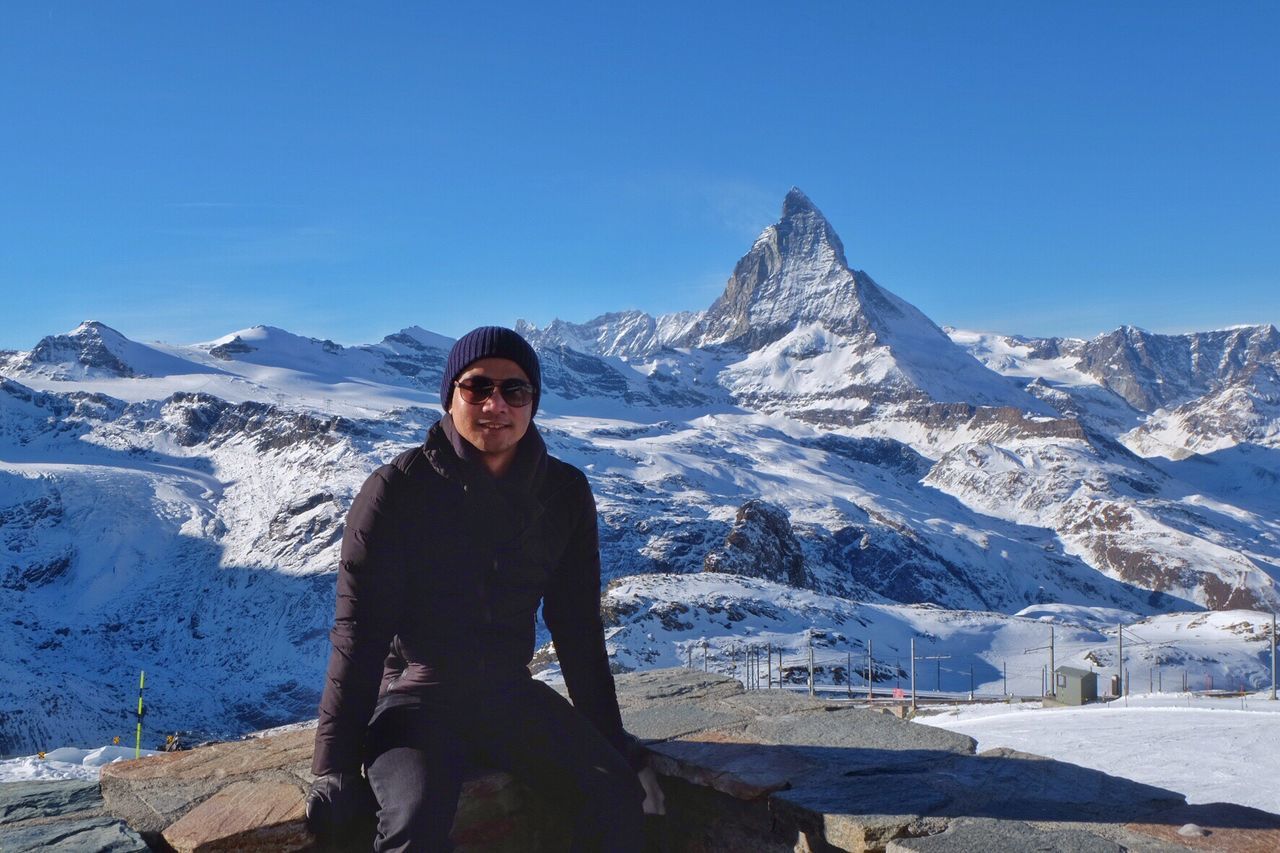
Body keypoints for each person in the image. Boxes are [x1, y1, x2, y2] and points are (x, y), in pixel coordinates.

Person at [306, 326, 663, 852]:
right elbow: (359, 633)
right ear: (449, 396)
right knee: (414, 820)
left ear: (532, 404)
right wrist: (333, 766)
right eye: (477, 387)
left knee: (614, 796)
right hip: (414, 698)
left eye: (515, 391)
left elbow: (578, 627)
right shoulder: (396, 491)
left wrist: (609, 737)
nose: (497, 404)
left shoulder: (564, 493)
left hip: (507, 692)